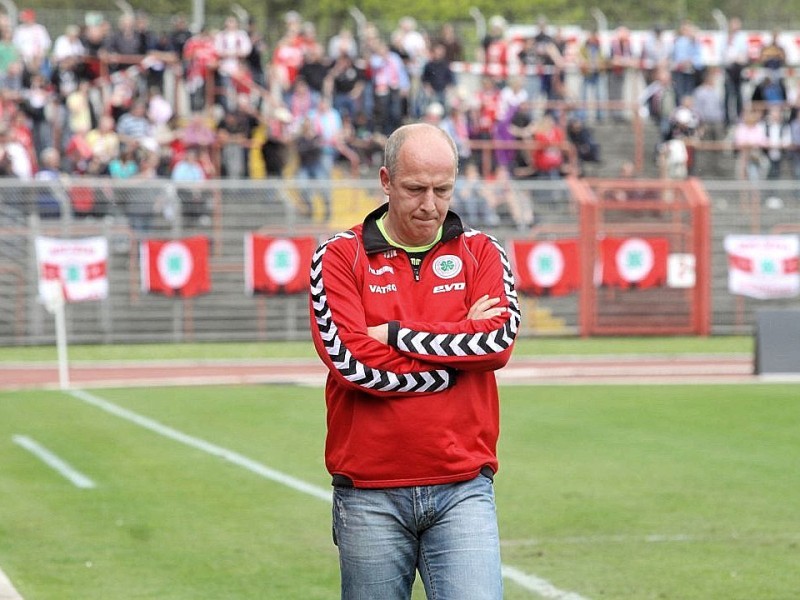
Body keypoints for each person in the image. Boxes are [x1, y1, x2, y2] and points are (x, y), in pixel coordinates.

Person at [308, 123, 520, 600]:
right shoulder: (339, 256)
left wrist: (397, 335)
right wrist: (454, 367)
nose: (430, 204)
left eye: (442, 190)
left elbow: (497, 343)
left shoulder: (482, 251)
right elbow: (352, 362)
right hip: (369, 493)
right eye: (415, 189)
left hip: (463, 486)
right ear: (386, 181)